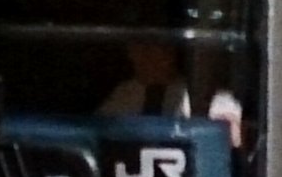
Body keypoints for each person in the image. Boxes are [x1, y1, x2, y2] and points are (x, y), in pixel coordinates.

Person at [100, 40, 242, 148]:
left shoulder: (200, 94)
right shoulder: (124, 93)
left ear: (170, 54)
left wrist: (227, 123)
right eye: (136, 50)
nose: (142, 58)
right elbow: (100, 133)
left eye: (150, 50)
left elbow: (233, 136)